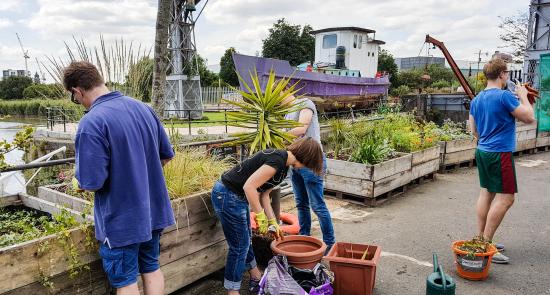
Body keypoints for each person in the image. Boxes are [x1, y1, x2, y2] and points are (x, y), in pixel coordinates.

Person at [66, 61, 175, 295]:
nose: (78, 103)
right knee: (152, 268)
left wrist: (78, 181)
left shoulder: (91, 122)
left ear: (77, 91)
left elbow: (91, 181)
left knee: (125, 281)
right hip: (152, 212)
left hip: (121, 221)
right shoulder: (143, 108)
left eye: (75, 98)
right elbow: (165, 156)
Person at [212, 137, 324, 294]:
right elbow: (249, 187)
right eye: (309, 164)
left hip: (236, 197)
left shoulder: (284, 167)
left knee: (245, 241)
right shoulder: (277, 160)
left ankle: (255, 275)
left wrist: (273, 222)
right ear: (306, 157)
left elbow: (264, 195)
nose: (306, 167)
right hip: (226, 195)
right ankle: (233, 291)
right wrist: (260, 216)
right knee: (239, 247)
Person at [469, 58, 535, 264]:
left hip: (483, 151)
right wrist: (524, 97)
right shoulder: (505, 96)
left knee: (487, 192)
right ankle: (486, 244)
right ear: (501, 74)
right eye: (507, 73)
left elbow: (474, 131)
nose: (507, 77)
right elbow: (529, 117)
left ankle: (480, 238)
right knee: (507, 198)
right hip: (500, 153)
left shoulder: (477, 99)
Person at [283, 93, 336, 251]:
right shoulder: (287, 112)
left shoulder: (305, 103)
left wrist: (276, 132)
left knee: (317, 206)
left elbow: (301, 128)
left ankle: (330, 244)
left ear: (284, 90)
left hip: (311, 161)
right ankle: (304, 237)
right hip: (295, 163)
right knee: (301, 204)